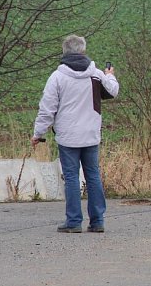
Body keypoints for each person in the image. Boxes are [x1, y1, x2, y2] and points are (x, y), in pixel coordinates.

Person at [31, 35, 119, 233]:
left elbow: (47, 109)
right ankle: (97, 221)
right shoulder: (95, 74)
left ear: (64, 52)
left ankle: (73, 222)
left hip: (68, 135)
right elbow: (113, 91)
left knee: (71, 177)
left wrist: (38, 133)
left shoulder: (57, 77)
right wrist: (110, 75)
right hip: (90, 133)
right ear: (83, 51)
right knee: (93, 175)